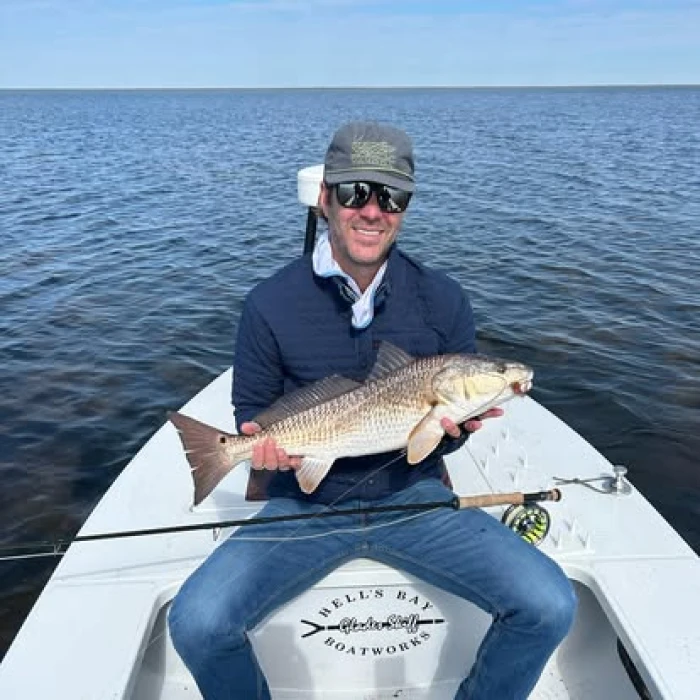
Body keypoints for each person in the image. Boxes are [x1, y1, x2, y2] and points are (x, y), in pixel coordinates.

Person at [168, 121, 576, 699]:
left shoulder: (443, 299)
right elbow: (256, 412)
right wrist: (259, 450)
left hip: (415, 501)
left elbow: (431, 441)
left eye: (392, 196)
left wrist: (456, 431)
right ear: (325, 197)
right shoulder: (268, 304)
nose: (373, 210)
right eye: (356, 192)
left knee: (550, 604)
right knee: (198, 623)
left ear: (406, 207)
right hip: (303, 507)